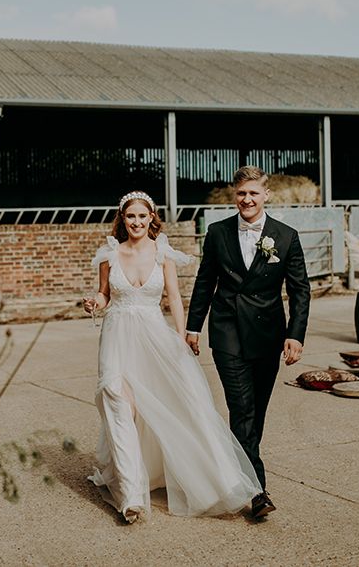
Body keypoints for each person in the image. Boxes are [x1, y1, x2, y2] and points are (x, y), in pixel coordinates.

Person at [83, 190, 261, 524]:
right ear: (122, 219)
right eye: (130, 216)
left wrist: (181, 338)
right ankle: (132, 497)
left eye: (142, 216)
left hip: (155, 338)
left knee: (181, 404)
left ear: (152, 218)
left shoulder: (162, 253)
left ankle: (214, 477)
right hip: (117, 337)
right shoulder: (109, 254)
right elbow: (105, 295)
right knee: (118, 404)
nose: (136, 222)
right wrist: (94, 303)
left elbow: (175, 299)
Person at [185, 166, 311, 519]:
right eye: (241, 193)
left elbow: (300, 291)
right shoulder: (217, 232)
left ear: (266, 195)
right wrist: (194, 326)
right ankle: (257, 492)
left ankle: (236, 472)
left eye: (253, 193)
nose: (247, 199)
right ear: (234, 195)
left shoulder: (286, 237)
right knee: (241, 409)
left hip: (268, 335)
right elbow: (204, 281)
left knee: (255, 414)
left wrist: (295, 334)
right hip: (226, 333)